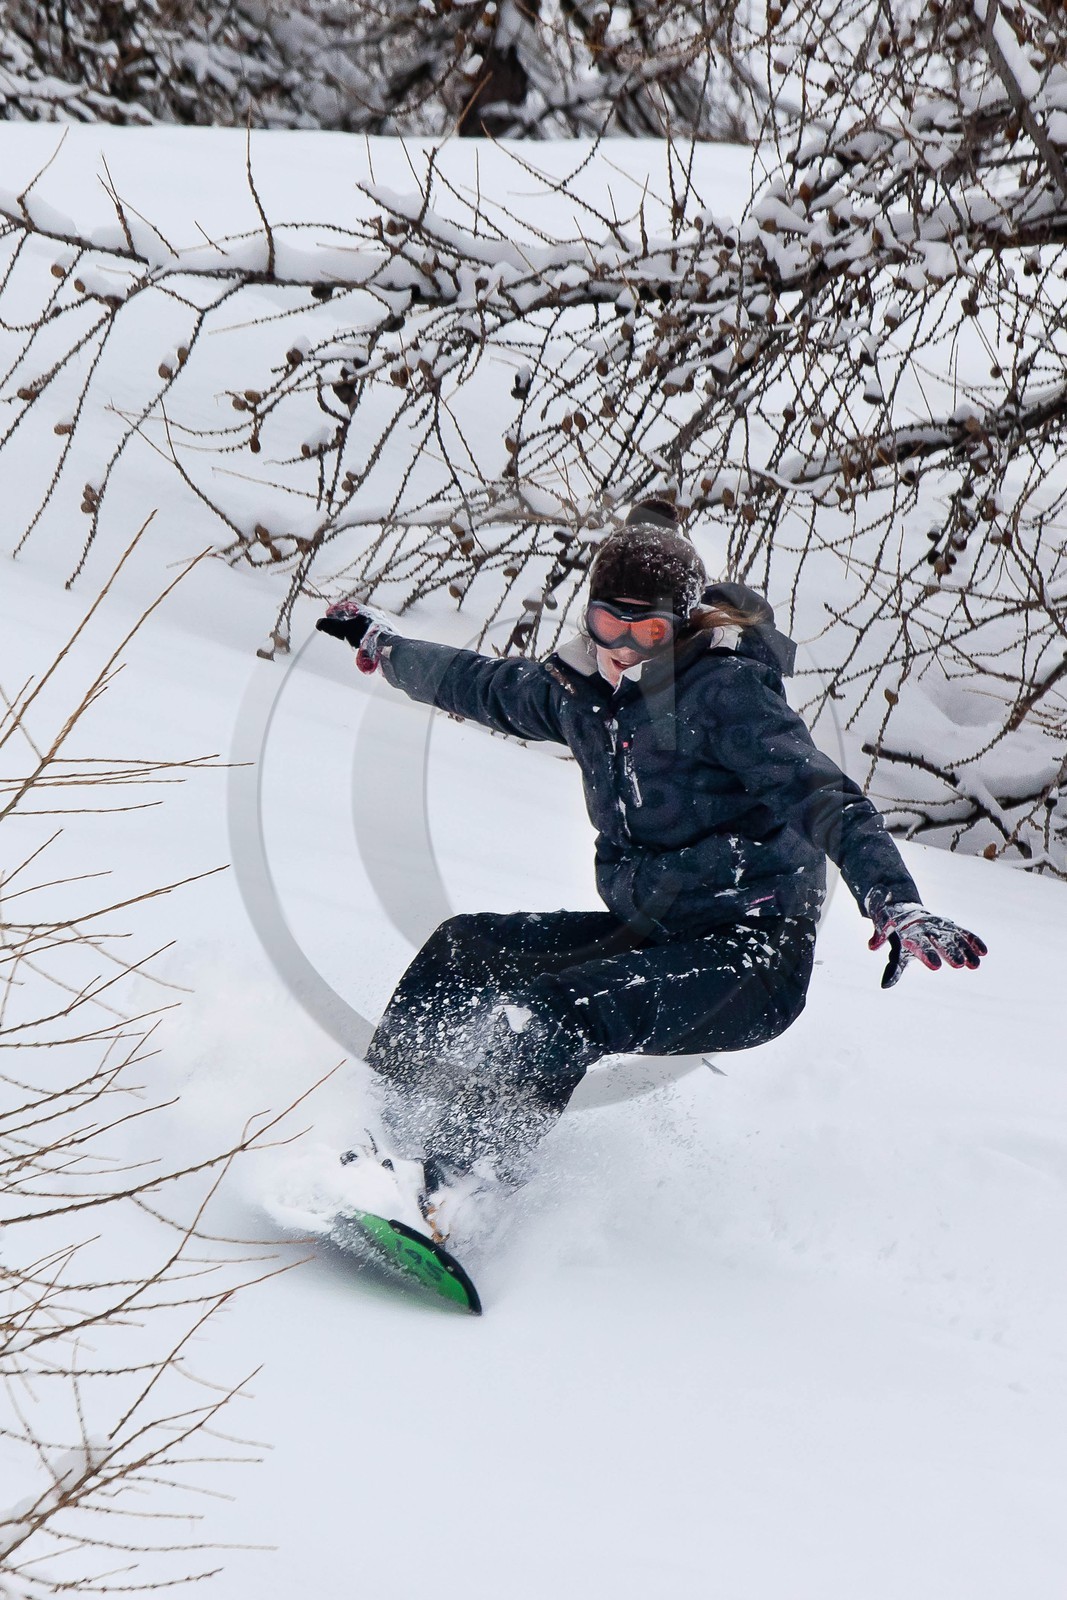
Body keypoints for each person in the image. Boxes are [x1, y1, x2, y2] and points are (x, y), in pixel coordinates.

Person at [317, 500, 986, 1244]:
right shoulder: (580, 696)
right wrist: (386, 646)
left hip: (750, 957)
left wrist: (894, 903)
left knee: (557, 1009)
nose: (626, 649)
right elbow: (480, 684)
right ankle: (381, 1130)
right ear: (590, 618)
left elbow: (825, 798)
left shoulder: (726, 695)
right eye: (610, 625)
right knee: (462, 948)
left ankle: (456, 1200)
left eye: (651, 632)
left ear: (685, 625)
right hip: (656, 933)